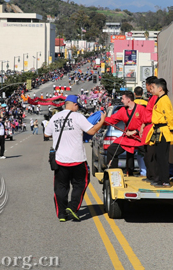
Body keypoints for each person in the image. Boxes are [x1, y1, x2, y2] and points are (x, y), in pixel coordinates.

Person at [45, 94, 106, 222]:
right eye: (77, 106)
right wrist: (102, 120)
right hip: (77, 159)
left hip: (60, 159)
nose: (77, 108)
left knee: (60, 187)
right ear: (74, 105)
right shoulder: (78, 117)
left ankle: (62, 214)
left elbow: (47, 134)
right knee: (80, 183)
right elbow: (92, 131)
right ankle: (72, 207)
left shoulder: (55, 117)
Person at [104, 91, 147, 176]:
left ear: (128, 100)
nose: (122, 101)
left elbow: (146, 122)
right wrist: (102, 119)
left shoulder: (141, 109)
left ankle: (152, 175)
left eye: (123, 99)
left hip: (140, 137)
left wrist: (135, 131)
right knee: (111, 150)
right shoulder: (122, 110)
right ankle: (114, 175)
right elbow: (112, 119)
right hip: (127, 138)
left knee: (149, 154)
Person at [145, 78, 173, 188]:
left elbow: (169, 116)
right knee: (159, 156)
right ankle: (160, 179)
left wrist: (172, 129)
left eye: (153, 87)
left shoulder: (164, 100)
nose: (151, 89)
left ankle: (165, 180)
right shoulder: (160, 99)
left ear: (160, 88)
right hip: (158, 130)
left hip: (163, 131)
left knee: (163, 157)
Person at [142, 76, 158, 183]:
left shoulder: (156, 98)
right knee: (148, 154)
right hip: (149, 128)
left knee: (151, 154)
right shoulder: (152, 97)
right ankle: (150, 176)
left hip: (154, 129)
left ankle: (153, 176)